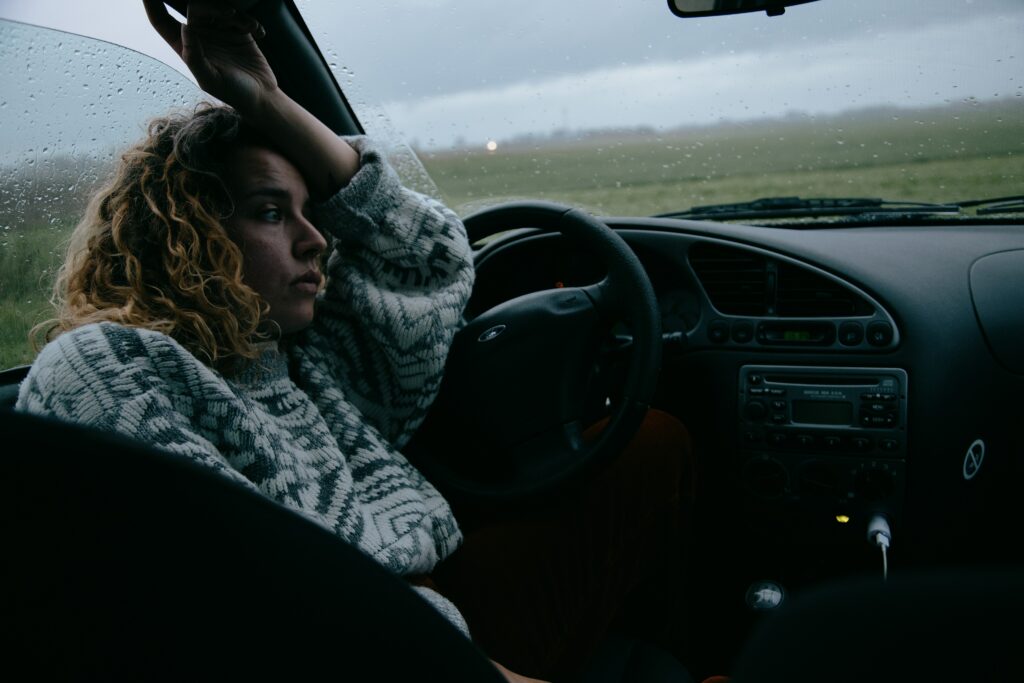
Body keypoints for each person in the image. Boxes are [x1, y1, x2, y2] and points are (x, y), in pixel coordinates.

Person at [15, 2, 695, 681]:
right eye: (272, 212)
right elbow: (251, 605)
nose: (316, 241)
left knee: (653, 441)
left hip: (425, 610)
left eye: (313, 213)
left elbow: (427, 259)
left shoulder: (303, 358)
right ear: (184, 233)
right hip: (369, 645)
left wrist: (272, 102)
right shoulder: (111, 369)